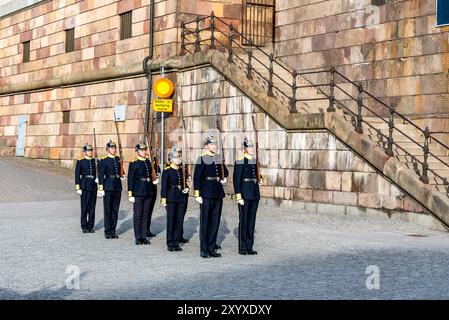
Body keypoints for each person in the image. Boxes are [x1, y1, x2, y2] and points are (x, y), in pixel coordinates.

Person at [193, 135, 229, 258]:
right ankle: (204, 249)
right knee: (205, 222)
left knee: (215, 221)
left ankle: (212, 247)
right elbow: (197, 177)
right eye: (212, 144)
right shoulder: (202, 159)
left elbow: (225, 171)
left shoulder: (218, 158)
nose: (214, 146)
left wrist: (224, 178)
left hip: (217, 192)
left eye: (215, 145)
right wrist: (197, 193)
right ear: (207, 145)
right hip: (206, 193)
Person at [233, 137, 262, 255]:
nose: (251, 149)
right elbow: (236, 180)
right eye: (249, 147)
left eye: (252, 147)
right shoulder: (240, 161)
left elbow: (256, 174)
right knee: (244, 221)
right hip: (244, 194)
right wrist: (239, 196)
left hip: (254, 193)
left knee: (251, 221)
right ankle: (243, 247)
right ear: (244, 149)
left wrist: (260, 179)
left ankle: (250, 246)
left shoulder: (254, 161)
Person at [128, 143, 157, 245]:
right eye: (142, 150)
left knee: (145, 215)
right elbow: (130, 179)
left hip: (148, 191)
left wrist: (154, 179)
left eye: (145, 150)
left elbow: (153, 173)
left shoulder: (149, 162)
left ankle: (144, 236)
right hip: (138, 192)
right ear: (137, 151)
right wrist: (130, 194)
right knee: (138, 215)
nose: (144, 151)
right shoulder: (134, 163)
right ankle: (138, 237)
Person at [160, 147, 189, 252]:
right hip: (171, 197)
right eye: (176, 157)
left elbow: (184, 183)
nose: (178, 159)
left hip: (181, 197)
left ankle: (176, 242)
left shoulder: (181, 170)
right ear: (171, 159)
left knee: (179, 220)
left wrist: (187, 189)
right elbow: (164, 186)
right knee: (171, 221)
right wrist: (163, 199)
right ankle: (170, 242)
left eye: (179, 157)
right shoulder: (167, 171)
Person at [98, 140, 124, 239]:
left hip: (117, 186)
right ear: (107, 149)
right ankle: (107, 230)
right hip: (108, 186)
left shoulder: (118, 159)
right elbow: (101, 175)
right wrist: (101, 188)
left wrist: (122, 175)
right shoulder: (104, 160)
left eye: (114, 148)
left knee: (115, 210)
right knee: (108, 210)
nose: (113, 150)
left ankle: (113, 230)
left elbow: (121, 171)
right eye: (111, 148)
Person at [74, 143, 97, 233]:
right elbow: (77, 175)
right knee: (84, 207)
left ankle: (90, 226)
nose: (90, 152)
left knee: (92, 207)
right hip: (84, 185)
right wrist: (78, 187)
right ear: (84, 152)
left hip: (93, 186)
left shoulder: (95, 161)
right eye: (88, 150)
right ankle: (84, 226)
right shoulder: (81, 161)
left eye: (91, 150)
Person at [146, 148, 160, 238]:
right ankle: (143, 230)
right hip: (146, 189)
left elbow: (158, 169)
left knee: (150, 210)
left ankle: (147, 229)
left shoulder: (154, 159)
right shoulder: (145, 160)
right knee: (145, 211)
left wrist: (157, 173)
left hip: (153, 188)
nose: (150, 151)